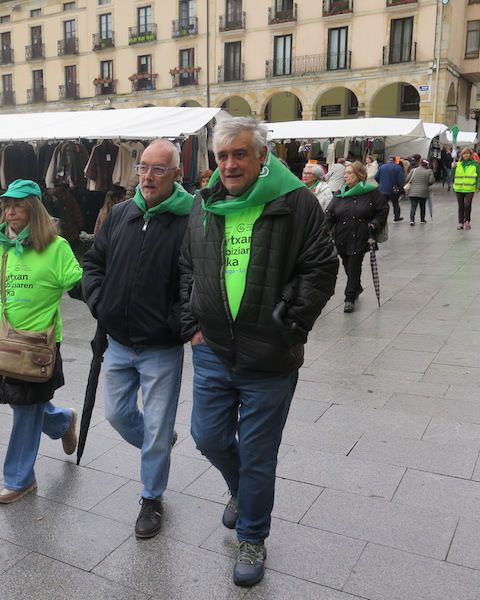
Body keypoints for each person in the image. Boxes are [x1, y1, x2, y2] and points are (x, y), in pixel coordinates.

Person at [178, 117, 338, 587]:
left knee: (258, 454)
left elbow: (321, 267)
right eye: (222, 156)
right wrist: (192, 323)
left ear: (261, 157)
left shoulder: (295, 202)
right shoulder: (205, 203)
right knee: (207, 436)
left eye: (240, 154)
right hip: (212, 350)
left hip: (269, 355)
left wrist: (291, 323)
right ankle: (241, 490)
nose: (229, 164)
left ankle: (252, 535)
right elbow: (188, 265)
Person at [83, 139, 194, 539]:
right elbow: (94, 262)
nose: (147, 176)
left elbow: (193, 282)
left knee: (156, 428)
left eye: (158, 169)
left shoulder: (189, 219)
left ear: (176, 175)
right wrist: (100, 302)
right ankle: (161, 440)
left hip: (161, 347)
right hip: (117, 342)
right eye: (143, 168)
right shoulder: (121, 214)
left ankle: (151, 498)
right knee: (116, 415)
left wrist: (174, 323)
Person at [0, 179, 82, 504]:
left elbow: (80, 287)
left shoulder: (56, 247)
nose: (10, 211)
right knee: (27, 404)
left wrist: (113, 308)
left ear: (33, 209)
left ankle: (20, 479)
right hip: (6, 343)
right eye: (6, 205)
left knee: (24, 409)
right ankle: (63, 420)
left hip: (40, 346)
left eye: (17, 205)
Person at [326, 161, 388, 313]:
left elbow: (383, 210)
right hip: (341, 237)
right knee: (347, 264)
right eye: (345, 173)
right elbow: (330, 214)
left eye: (349, 173)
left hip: (361, 236)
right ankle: (357, 286)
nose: (345, 176)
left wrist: (375, 223)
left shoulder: (372, 192)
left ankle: (349, 297)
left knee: (354, 265)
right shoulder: (340, 194)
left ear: (359, 175)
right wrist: (323, 229)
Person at [454, 146, 478, 230]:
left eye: (467, 153)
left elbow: (478, 176)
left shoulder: (475, 164)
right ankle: (460, 222)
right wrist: (453, 167)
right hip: (459, 188)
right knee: (461, 206)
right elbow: (453, 174)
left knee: (467, 205)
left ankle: (467, 221)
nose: (465, 155)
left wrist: (478, 186)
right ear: (462, 155)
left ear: (470, 154)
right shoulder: (458, 164)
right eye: (464, 154)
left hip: (470, 188)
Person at [406, 159, 435, 225]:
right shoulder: (429, 171)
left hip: (413, 192)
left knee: (413, 206)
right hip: (423, 192)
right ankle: (422, 220)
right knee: (422, 206)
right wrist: (427, 184)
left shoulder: (413, 170)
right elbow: (431, 181)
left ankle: (412, 220)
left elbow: (407, 179)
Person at [376, 156, 405, 222]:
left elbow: (376, 177)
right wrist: (400, 188)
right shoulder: (398, 168)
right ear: (395, 161)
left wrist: (381, 183)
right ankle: (396, 217)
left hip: (383, 189)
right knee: (395, 203)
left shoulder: (382, 167)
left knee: (383, 204)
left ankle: (382, 217)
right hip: (394, 189)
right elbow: (401, 180)